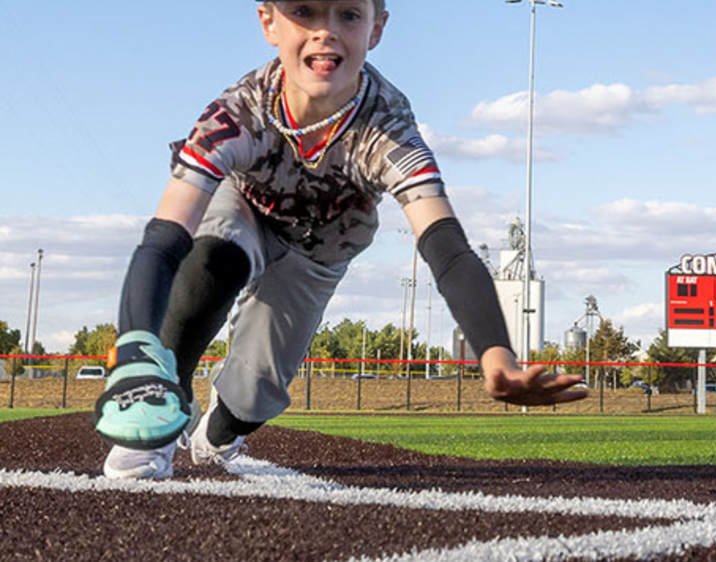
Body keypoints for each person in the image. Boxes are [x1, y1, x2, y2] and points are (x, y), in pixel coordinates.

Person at [93, 0, 586, 480]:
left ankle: (219, 433)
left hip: (321, 246)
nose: (325, 30)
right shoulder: (238, 113)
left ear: (376, 29)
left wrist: (496, 353)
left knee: (255, 393)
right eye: (303, 11)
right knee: (211, 259)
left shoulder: (387, 130)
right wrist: (137, 346)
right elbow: (165, 238)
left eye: (348, 14)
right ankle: (155, 418)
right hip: (244, 207)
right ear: (269, 22)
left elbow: (446, 248)